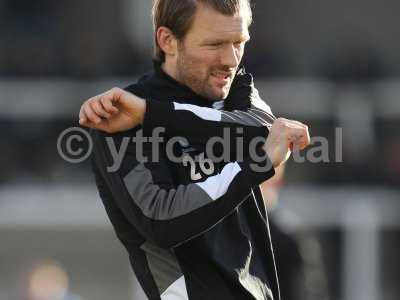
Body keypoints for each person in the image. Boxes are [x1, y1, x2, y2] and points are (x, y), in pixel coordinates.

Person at [78, 1, 310, 299]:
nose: (230, 59)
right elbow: (162, 220)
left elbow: (262, 130)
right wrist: (256, 163)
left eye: (239, 42)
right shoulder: (119, 118)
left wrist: (154, 113)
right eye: (214, 44)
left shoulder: (239, 94)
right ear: (167, 41)